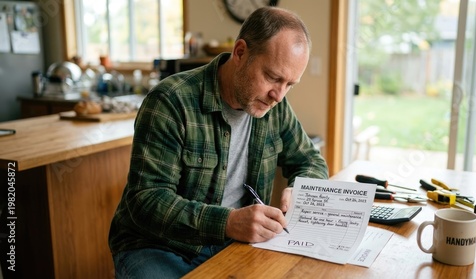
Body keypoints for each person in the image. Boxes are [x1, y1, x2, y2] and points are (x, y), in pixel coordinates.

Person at [109, 6, 329, 278]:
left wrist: (300, 189)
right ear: (240, 52)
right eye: (272, 77)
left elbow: (310, 161)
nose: (278, 96)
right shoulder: (170, 101)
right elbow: (146, 201)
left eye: (289, 84)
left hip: (231, 242)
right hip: (157, 246)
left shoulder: (275, 107)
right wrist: (228, 222)